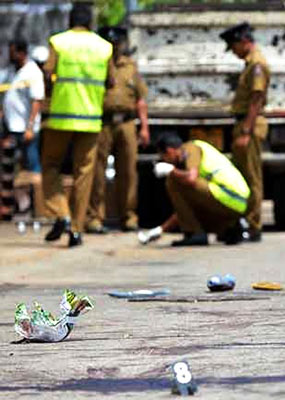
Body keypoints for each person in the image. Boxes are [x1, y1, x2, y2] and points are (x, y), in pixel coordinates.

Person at [41, 3, 114, 247]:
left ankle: (61, 212)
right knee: (84, 173)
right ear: (91, 22)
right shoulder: (104, 47)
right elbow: (112, 81)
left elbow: (48, 72)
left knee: (51, 165)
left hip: (61, 116)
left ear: (70, 21)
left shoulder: (59, 42)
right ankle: (76, 229)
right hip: (91, 119)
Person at [86, 26, 150, 234]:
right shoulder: (96, 65)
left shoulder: (130, 66)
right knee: (97, 172)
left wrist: (144, 127)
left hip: (127, 123)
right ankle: (95, 217)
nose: (114, 47)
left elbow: (141, 99)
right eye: (110, 43)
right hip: (102, 123)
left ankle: (129, 217)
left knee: (129, 172)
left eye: (117, 43)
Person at [146, 134, 249, 246]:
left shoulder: (191, 148)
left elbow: (191, 178)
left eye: (164, 157)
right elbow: (184, 212)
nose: (166, 160)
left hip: (230, 196)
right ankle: (229, 227)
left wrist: (171, 171)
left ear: (170, 151)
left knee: (174, 181)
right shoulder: (193, 153)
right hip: (237, 201)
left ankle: (194, 233)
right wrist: (161, 230)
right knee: (194, 205)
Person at [219, 22, 269, 242]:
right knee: (242, 176)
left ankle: (254, 224)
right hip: (244, 124)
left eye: (234, 47)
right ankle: (244, 222)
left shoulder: (257, 64)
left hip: (250, 125)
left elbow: (256, 99)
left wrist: (247, 130)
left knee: (251, 177)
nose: (234, 52)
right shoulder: (250, 64)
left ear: (244, 41)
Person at [0, 39, 45, 220]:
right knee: (10, 170)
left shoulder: (32, 72)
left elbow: (37, 101)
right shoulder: (11, 72)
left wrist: (30, 127)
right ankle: (13, 209)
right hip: (11, 127)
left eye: (13, 52)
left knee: (32, 169)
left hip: (26, 129)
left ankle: (38, 210)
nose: (10, 55)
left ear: (21, 52)